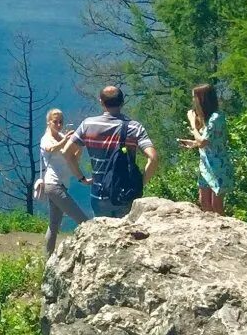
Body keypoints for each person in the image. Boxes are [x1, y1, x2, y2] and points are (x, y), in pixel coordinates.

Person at [75, 84, 158, 217]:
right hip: (125, 193)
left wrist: (81, 178)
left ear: (101, 102)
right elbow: (153, 158)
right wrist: (140, 183)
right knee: (127, 234)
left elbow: (66, 153)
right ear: (122, 102)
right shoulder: (134, 127)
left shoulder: (87, 124)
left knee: (103, 233)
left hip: (98, 194)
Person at [36, 107, 89, 255]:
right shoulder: (46, 139)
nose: (58, 125)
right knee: (83, 220)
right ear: (48, 122)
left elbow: (73, 158)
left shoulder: (61, 136)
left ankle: (47, 259)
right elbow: (50, 149)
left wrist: (80, 144)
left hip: (60, 185)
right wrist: (66, 140)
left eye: (61, 122)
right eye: (55, 122)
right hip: (53, 185)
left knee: (54, 225)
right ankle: (85, 253)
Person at [178, 82, 233, 215]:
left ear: (202, 99)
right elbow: (207, 142)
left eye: (194, 97)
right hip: (206, 164)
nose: (193, 101)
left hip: (218, 165)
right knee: (204, 201)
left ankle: (223, 230)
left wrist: (192, 123)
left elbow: (203, 141)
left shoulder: (216, 118)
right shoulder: (206, 119)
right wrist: (193, 144)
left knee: (216, 205)